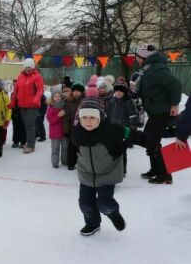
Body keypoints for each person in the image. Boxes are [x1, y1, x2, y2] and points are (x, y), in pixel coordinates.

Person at [72, 98, 152, 236]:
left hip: (107, 172)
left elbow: (131, 134)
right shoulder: (77, 132)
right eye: (84, 117)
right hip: (86, 173)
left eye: (92, 117)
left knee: (104, 203)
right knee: (85, 204)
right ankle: (92, 224)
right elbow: (76, 149)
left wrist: (149, 142)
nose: (88, 121)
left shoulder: (111, 130)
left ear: (100, 117)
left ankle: (113, 213)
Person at [136, 44, 182, 184]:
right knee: (150, 139)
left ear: (143, 57)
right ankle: (156, 170)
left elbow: (175, 84)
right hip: (156, 110)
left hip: (162, 111)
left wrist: (175, 103)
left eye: (137, 56)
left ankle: (165, 174)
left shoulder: (157, 69)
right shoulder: (149, 69)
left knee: (151, 140)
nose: (136, 59)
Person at [10, 58, 44, 154]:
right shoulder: (20, 76)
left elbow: (40, 90)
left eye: (29, 67)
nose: (27, 69)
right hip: (22, 104)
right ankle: (29, 141)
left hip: (33, 105)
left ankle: (30, 145)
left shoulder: (37, 77)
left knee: (29, 124)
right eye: (26, 67)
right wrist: (13, 102)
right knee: (26, 124)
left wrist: (36, 99)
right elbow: (16, 90)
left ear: (33, 67)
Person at [106, 81, 137, 174]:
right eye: (117, 91)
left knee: (122, 150)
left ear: (124, 92)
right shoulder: (111, 101)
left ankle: (122, 170)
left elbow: (132, 116)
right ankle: (112, 168)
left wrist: (132, 127)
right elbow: (107, 114)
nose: (118, 93)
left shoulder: (128, 102)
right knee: (111, 149)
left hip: (124, 130)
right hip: (112, 130)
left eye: (121, 91)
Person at [64, 81, 85, 169]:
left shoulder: (85, 101)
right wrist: (66, 130)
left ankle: (82, 164)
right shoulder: (68, 102)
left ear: (82, 92)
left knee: (82, 148)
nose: (76, 92)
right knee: (71, 147)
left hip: (83, 128)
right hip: (72, 128)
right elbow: (66, 118)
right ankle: (71, 164)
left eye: (78, 91)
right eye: (75, 91)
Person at [46, 90, 68, 168]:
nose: (58, 98)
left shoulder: (65, 105)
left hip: (64, 131)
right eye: (55, 96)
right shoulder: (51, 107)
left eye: (59, 96)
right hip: (55, 133)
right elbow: (51, 120)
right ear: (53, 98)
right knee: (55, 149)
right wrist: (58, 115)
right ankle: (55, 163)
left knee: (65, 148)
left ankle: (65, 161)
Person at [11, 79, 26, 148]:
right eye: (14, 84)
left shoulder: (23, 93)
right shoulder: (12, 94)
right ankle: (15, 141)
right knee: (15, 127)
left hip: (22, 112)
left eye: (16, 84)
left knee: (22, 127)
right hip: (14, 112)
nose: (15, 85)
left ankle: (23, 142)